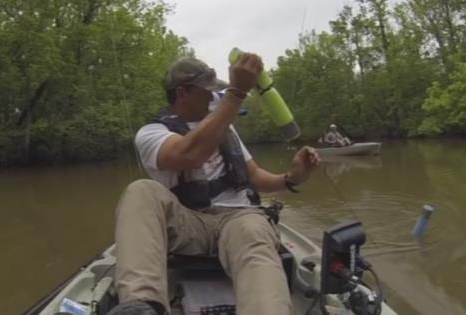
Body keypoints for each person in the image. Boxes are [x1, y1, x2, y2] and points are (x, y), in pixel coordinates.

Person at [107, 55, 320, 315]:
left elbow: (255, 176)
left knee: (253, 230)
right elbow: (189, 154)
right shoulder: (151, 133)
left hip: (238, 219)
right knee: (141, 190)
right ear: (182, 93)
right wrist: (237, 92)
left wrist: (292, 177)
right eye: (209, 92)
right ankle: (141, 305)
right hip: (189, 224)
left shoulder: (226, 129)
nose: (215, 96)